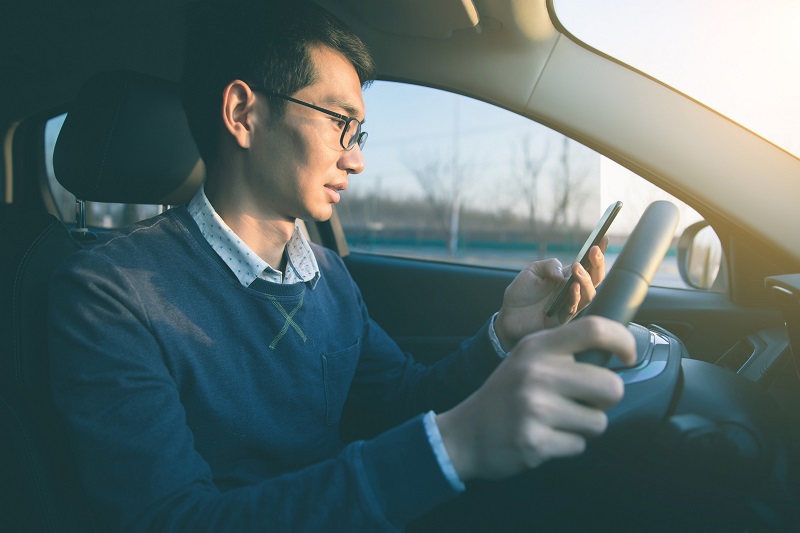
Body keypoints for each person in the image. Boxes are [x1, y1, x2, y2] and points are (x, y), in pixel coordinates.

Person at [48, 1, 636, 531]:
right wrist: (451, 446)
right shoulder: (111, 296)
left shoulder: (326, 275)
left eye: (359, 131)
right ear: (242, 114)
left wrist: (507, 332)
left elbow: (400, 401)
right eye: (338, 122)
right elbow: (173, 520)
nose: (355, 159)